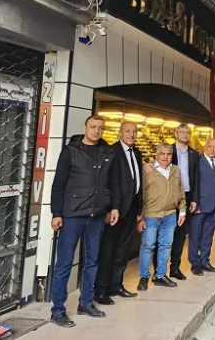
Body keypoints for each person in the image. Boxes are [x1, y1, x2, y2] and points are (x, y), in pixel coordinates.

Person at [48, 115, 120, 327]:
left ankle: (86, 303)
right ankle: (57, 310)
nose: (97, 131)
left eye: (100, 128)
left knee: (92, 261)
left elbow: (113, 183)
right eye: (93, 127)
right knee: (64, 263)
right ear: (85, 127)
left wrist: (114, 207)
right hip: (72, 215)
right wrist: (56, 213)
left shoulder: (108, 152)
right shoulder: (71, 151)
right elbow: (58, 184)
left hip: (96, 215)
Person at [95, 122, 143, 306]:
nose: (131, 134)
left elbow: (137, 181)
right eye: (128, 131)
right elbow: (107, 182)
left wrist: (140, 207)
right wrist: (110, 208)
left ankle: (116, 284)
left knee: (123, 249)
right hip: (115, 209)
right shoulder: (112, 151)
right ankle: (101, 290)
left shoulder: (136, 153)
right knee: (108, 250)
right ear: (120, 133)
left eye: (134, 131)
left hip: (131, 208)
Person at [137, 144, 186, 291]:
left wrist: (182, 210)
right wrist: (140, 216)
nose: (165, 157)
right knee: (148, 246)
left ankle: (160, 275)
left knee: (166, 246)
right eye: (162, 154)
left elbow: (181, 191)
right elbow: (141, 194)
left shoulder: (176, 170)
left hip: (170, 214)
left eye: (169, 154)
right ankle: (144, 277)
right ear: (156, 155)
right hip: (151, 215)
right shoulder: (148, 170)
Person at [169, 124, 200, 281]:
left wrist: (194, 199)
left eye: (187, 132)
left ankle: (174, 268)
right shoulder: (168, 150)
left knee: (180, 235)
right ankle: (158, 272)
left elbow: (196, 178)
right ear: (175, 133)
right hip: (169, 196)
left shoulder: (194, 154)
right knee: (165, 235)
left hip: (186, 197)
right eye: (181, 132)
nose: (184, 134)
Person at [189, 137, 215, 276]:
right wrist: (195, 202)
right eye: (210, 146)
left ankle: (205, 261)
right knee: (195, 236)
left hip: (213, 206)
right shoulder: (198, 161)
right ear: (205, 147)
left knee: (208, 235)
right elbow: (194, 183)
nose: (212, 149)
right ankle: (195, 263)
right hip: (200, 206)